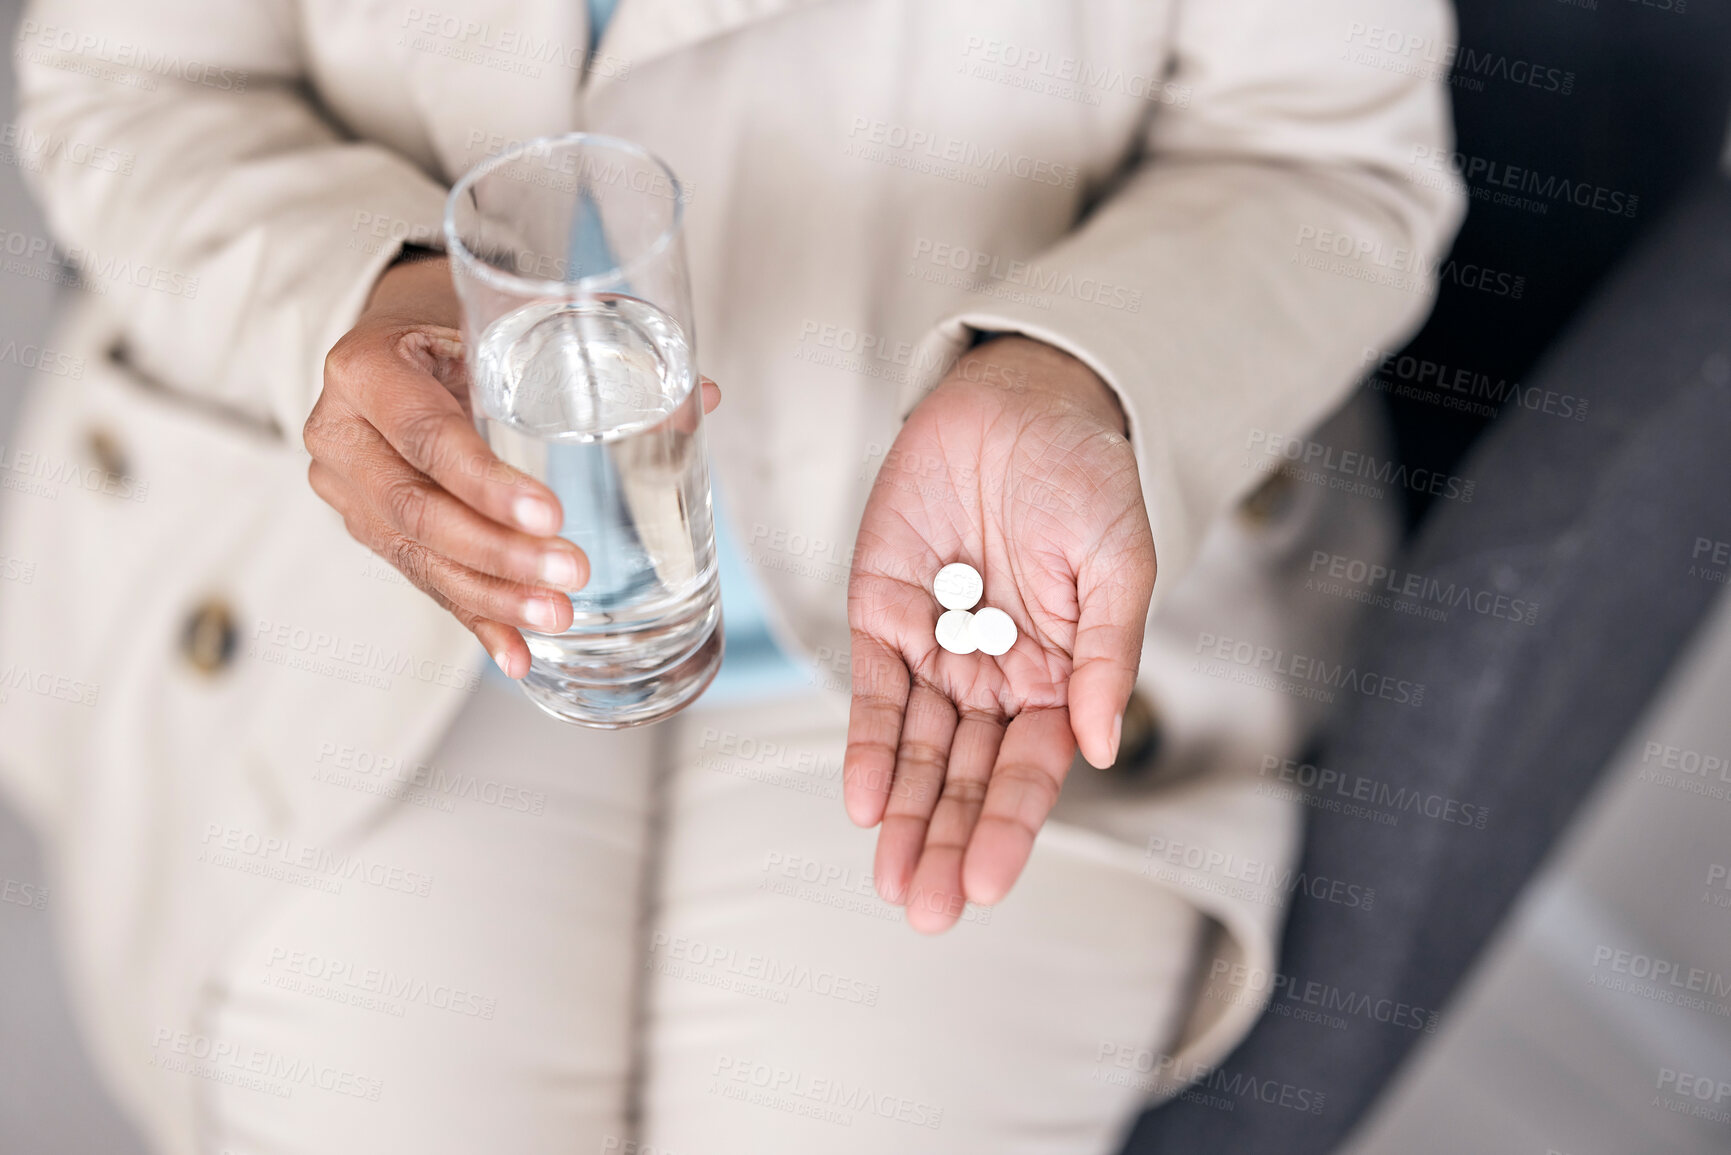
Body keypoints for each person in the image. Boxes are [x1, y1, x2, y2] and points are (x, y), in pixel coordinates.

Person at [0, 0, 1462, 1152]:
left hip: (989, 625)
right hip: (395, 577)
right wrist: (350, 292)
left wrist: (1074, 372)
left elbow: (1326, 156)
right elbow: (127, 85)